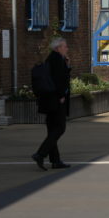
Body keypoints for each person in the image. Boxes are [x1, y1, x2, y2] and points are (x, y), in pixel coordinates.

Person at [32, 37, 72, 170]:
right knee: (60, 128)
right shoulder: (56, 60)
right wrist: (61, 95)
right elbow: (60, 80)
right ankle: (40, 153)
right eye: (64, 46)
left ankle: (55, 160)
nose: (67, 48)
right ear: (58, 48)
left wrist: (67, 65)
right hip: (55, 100)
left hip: (48, 100)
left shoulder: (52, 59)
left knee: (52, 130)